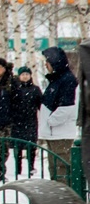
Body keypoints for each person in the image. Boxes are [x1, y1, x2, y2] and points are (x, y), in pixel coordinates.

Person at [38, 47, 78, 182]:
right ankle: (59, 196)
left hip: (61, 133)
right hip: (54, 133)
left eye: (48, 61)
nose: (45, 64)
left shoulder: (67, 80)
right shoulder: (57, 79)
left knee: (62, 169)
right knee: (55, 169)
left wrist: (50, 121)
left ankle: (65, 198)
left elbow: (67, 107)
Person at [11, 66, 42, 177]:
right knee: (17, 146)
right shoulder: (15, 89)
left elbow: (40, 105)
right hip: (17, 121)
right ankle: (18, 168)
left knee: (31, 145)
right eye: (23, 74)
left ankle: (31, 167)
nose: (25, 76)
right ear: (19, 76)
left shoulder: (35, 89)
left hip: (31, 121)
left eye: (27, 74)